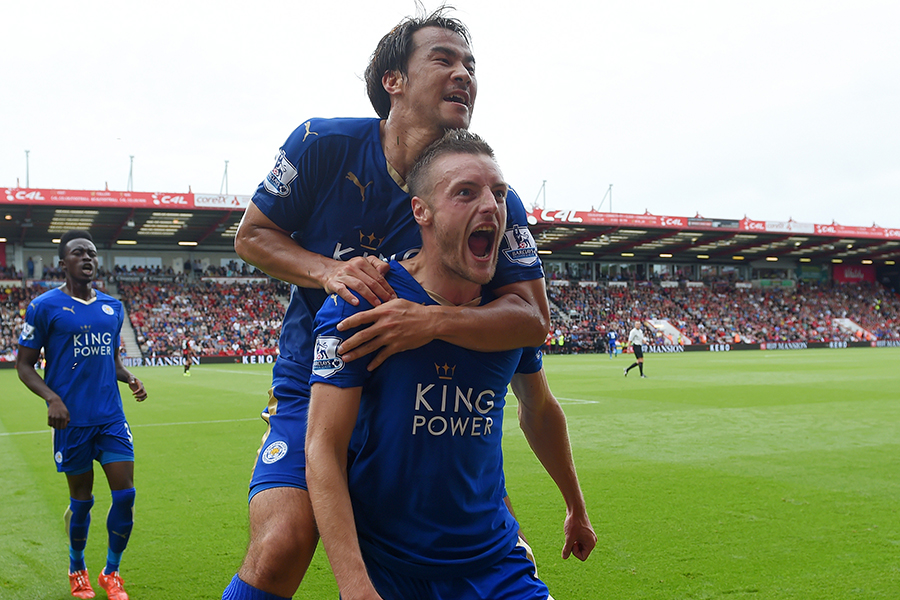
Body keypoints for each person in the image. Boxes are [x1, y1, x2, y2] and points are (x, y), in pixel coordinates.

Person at [224, 9, 553, 600]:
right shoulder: (322, 143)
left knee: (469, 551)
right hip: (318, 377)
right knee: (281, 545)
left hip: (419, 395)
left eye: (470, 65)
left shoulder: (488, 197)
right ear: (392, 81)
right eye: (444, 59)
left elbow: (533, 318)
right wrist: (332, 271)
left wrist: (431, 321)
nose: (464, 75)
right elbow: (252, 237)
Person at [307, 130, 595, 600]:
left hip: (496, 563)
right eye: (465, 192)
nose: (491, 206)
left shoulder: (508, 321)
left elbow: (539, 410)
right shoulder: (365, 302)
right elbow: (322, 445)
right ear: (421, 210)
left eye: (498, 194)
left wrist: (575, 507)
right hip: (393, 570)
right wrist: (354, 585)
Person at [16, 229, 148, 600]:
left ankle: (112, 571)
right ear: (63, 263)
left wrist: (129, 377)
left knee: (125, 496)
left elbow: (113, 361)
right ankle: (77, 567)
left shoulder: (112, 307)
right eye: (78, 253)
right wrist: (51, 399)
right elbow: (24, 366)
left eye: (92, 253)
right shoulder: (44, 307)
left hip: (111, 418)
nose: (88, 258)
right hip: (72, 421)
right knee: (82, 501)